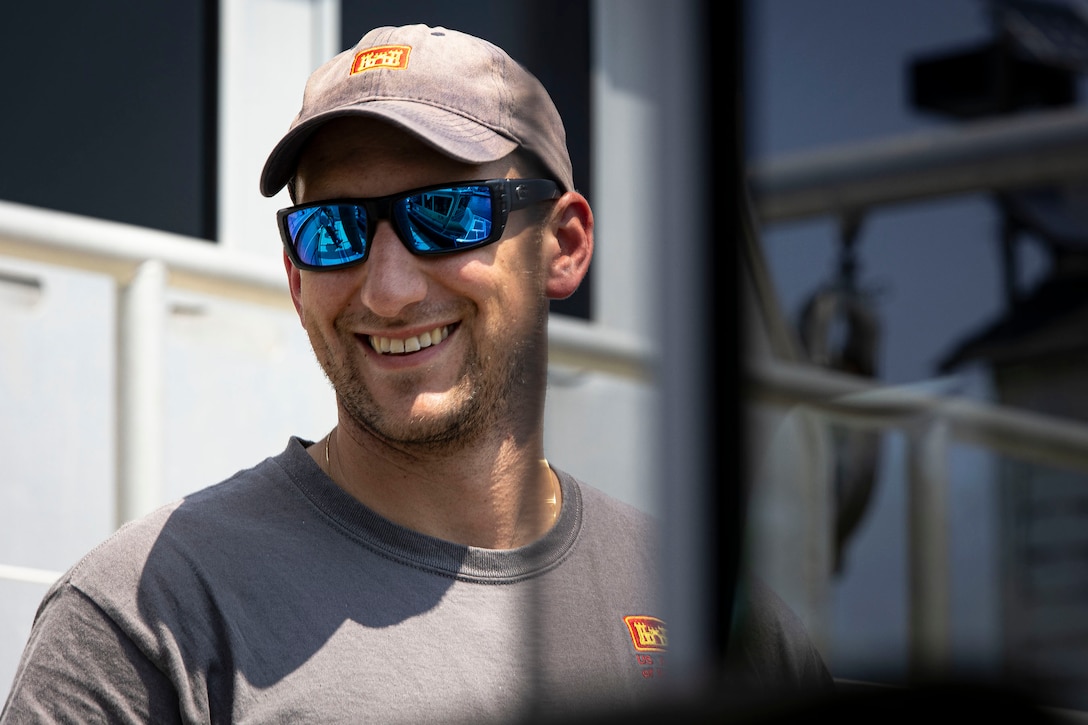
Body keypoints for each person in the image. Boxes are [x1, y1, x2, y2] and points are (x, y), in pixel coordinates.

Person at [1, 24, 831, 723]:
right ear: (297, 277)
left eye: (446, 213)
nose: (389, 290)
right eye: (334, 230)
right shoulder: (144, 618)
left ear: (564, 244)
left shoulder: (726, 621)